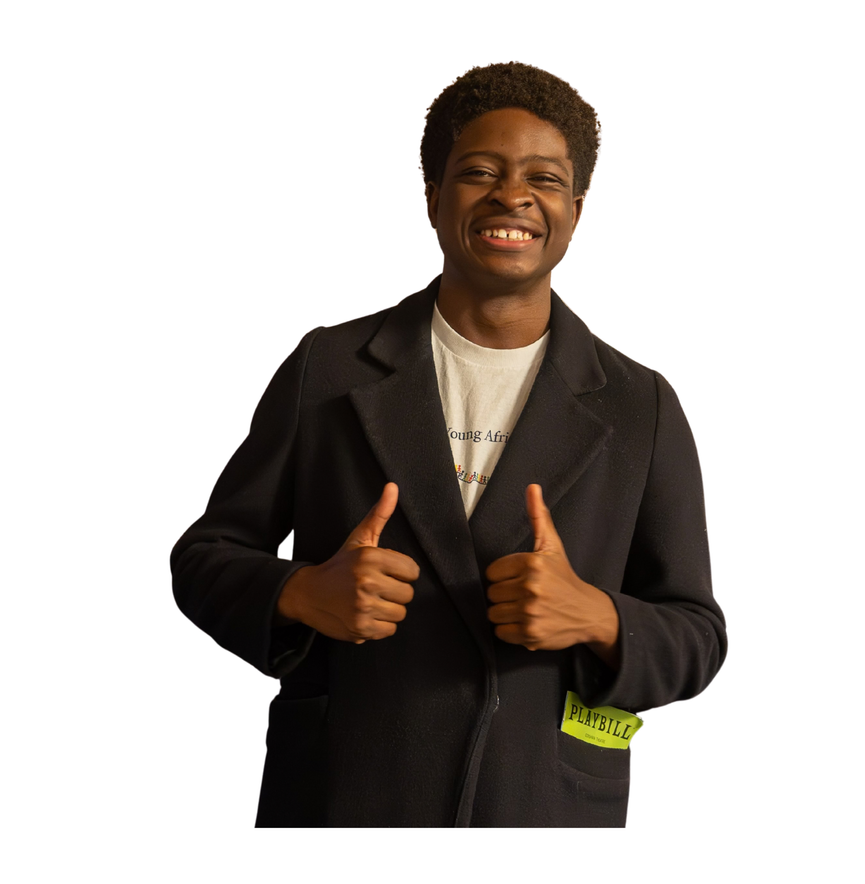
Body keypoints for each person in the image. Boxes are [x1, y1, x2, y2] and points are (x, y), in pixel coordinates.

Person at [170, 62, 726, 827]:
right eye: (479, 172)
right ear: (433, 198)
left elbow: (697, 634)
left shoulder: (640, 405)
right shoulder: (329, 370)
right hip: (345, 795)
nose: (512, 195)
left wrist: (596, 616)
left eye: (545, 178)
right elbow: (205, 558)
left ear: (576, 209)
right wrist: (302, 593)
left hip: (539, 804)